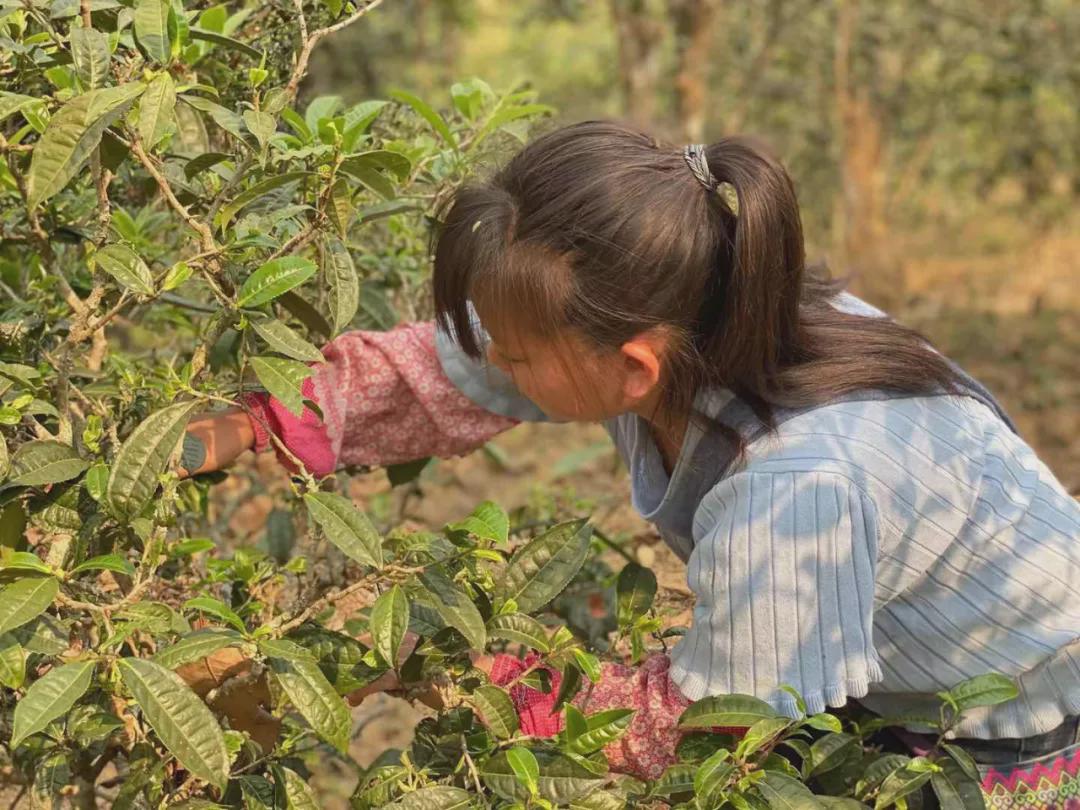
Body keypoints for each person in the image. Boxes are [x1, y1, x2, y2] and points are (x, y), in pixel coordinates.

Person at [183, 121, 1080, 804]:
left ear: (635, 366)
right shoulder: (702, 307)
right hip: (897, 665)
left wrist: (432, 670)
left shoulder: (793, 485)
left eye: (524, 354)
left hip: (1006, 736)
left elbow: (715, 722)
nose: (502, 363)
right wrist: (261, 418)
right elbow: (450, 366)